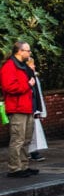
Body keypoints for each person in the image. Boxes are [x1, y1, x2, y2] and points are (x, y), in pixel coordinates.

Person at [2, 41, 40, 178]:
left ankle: (24, 165)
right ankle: (14, 168)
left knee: (26, 139)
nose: (29, 53)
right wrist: (27, 85)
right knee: (17, 139)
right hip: (17, 108)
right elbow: (10, 87)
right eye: (27, 51)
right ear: (19, 51)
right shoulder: (9, 67)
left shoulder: (23, 66)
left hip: (27, 107)